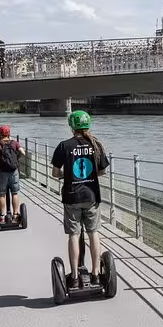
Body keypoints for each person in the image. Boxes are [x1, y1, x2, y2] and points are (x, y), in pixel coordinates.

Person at [51, 110, 109, 289]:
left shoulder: (64, 146)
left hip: (72, 196)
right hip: (91, 196)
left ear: (71, 126)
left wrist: (67, 174)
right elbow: (102, 171)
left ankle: (75, 277)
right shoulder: (96, 144)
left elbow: (55, 173)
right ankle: (96, 274)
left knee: (74, 236)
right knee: (94, 233)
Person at [0, 125, 25, 224]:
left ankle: (1, 216)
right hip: (14, 171)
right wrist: (17, 159)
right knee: (15, 193)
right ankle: (15, 215)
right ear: (9, 133)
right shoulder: (15, 143)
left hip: (2, 172)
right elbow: (23, 152)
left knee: (2, 194)